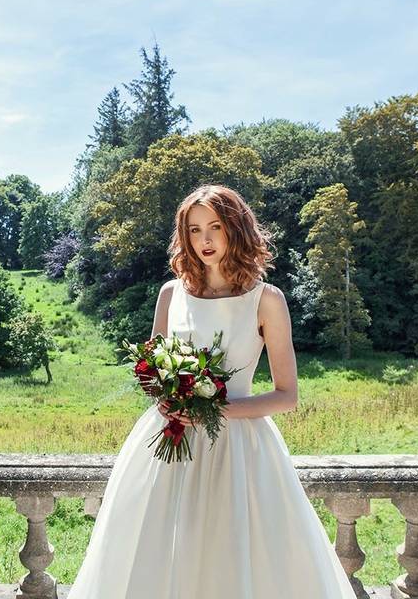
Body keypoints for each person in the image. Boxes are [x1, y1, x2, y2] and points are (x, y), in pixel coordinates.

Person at [66, 184, 358, 599]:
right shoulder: (171, 294)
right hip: (171, 440)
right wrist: (166, 396)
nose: (204, 239)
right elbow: (151, 372)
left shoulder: (266, 300)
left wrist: (216, 412)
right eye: (194, 229)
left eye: (215, 227)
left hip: (239, 449)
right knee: (158, 552)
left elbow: (286, 395)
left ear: (236, 229)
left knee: (231, 552)